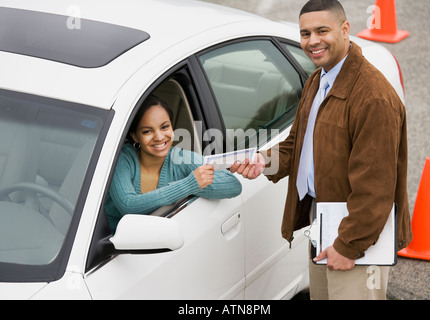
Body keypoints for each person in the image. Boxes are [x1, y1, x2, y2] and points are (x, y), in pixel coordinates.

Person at [231, 0, 412, 300]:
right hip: (323, 222)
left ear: (345, 29)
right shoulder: (318, 79)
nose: (312, 41)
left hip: (355, 237)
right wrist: (264, 161)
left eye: (322, 31)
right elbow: (299, 144)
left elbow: (376, 188)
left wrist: (348, 246)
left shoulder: (373, 98)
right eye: (305, 33)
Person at [106, 95, 242, 233]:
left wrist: (196, 184)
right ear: (135, 136)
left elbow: (233, 185)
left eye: (164, 127)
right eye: (147, 131)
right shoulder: (122, 160)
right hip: (111, 250)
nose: (159, 137)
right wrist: (189, 185)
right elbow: (128, 205)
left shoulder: (181, 159)